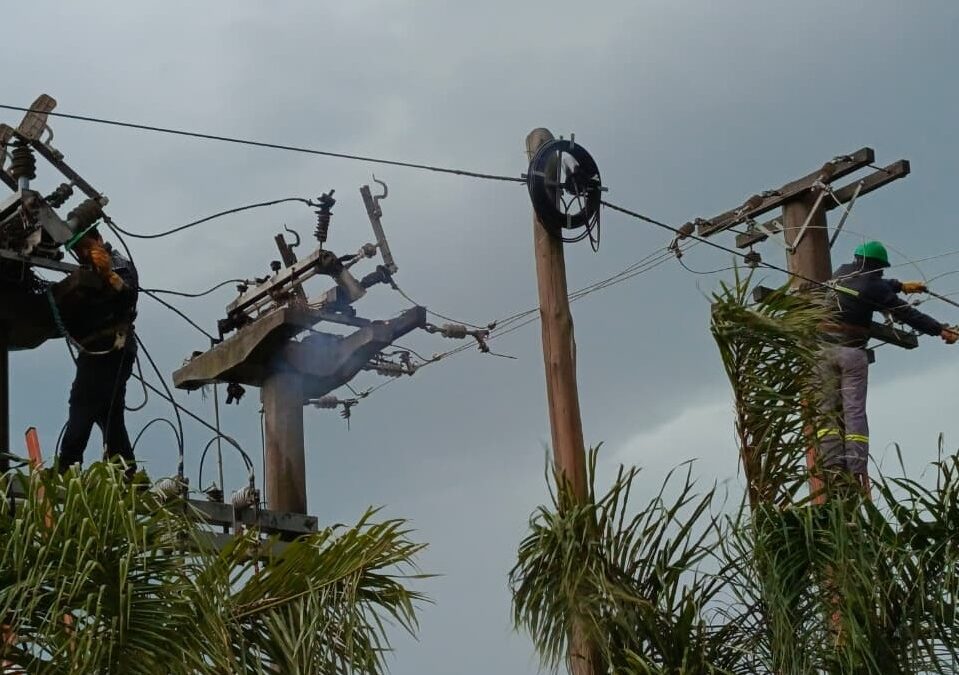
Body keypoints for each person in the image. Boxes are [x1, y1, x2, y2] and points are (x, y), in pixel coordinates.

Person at [816, 240, 958, 485]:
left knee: (826, 412)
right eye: (881, 269)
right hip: (851, 353)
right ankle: (855, 468)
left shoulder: (841, 272)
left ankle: (831, 465)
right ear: (876, 266)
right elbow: (908, 314)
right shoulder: (875, 287)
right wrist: (940, 330)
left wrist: (901, 285)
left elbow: (869, 283)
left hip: (821, 353)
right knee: (854, 412)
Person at [57, 229, 139, 476]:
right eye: (78, 250)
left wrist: (107, 276)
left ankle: (66, 469)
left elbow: (126, 295)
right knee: (109, 414)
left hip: (110, 349)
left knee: (82, 404)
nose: (82, 254)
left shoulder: (119, 265)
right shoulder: (85, 272)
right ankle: (128, 475)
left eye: (85, 247)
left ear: (99, 240)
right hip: (97, 351)